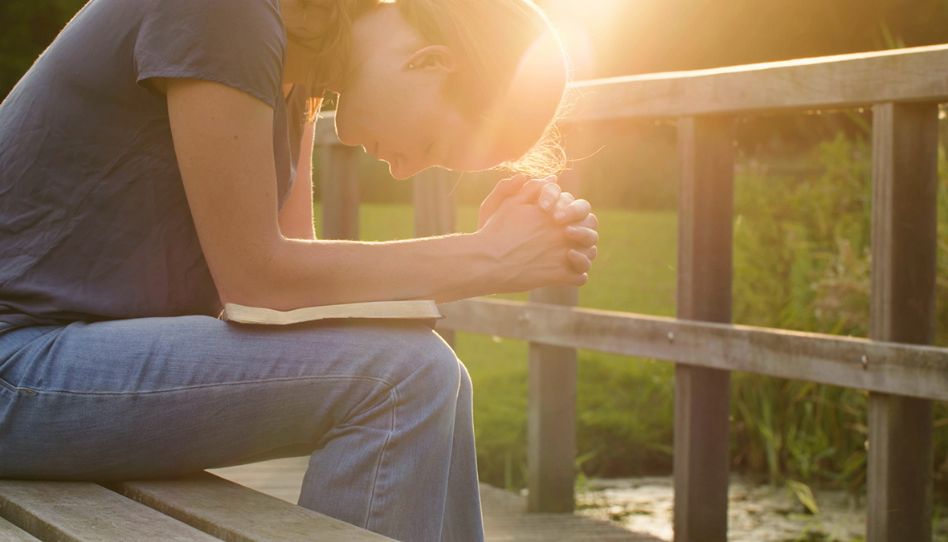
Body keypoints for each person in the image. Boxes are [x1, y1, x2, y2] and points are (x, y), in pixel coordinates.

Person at [0, 0, 599, 540]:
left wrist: (495, 249)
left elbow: (298, 300)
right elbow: (260, 280)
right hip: (16, 361)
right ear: (430, 62)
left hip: (58, 358)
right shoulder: (229, 16)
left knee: (440, 377)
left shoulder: (296, 74)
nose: (406, 171)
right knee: (403, 377)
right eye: (436, 143)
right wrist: (487, 256)